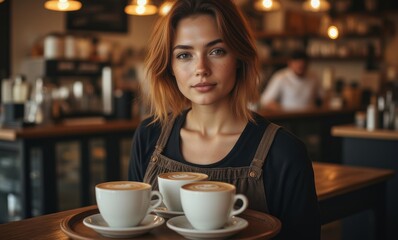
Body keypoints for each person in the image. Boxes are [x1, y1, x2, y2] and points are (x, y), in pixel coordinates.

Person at [128, 0, 320, 239]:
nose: (201, 68)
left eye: (216, 51)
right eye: (184, 54)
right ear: (169, 66)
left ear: (239, 57)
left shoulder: (285, 152)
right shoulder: (149, 135)